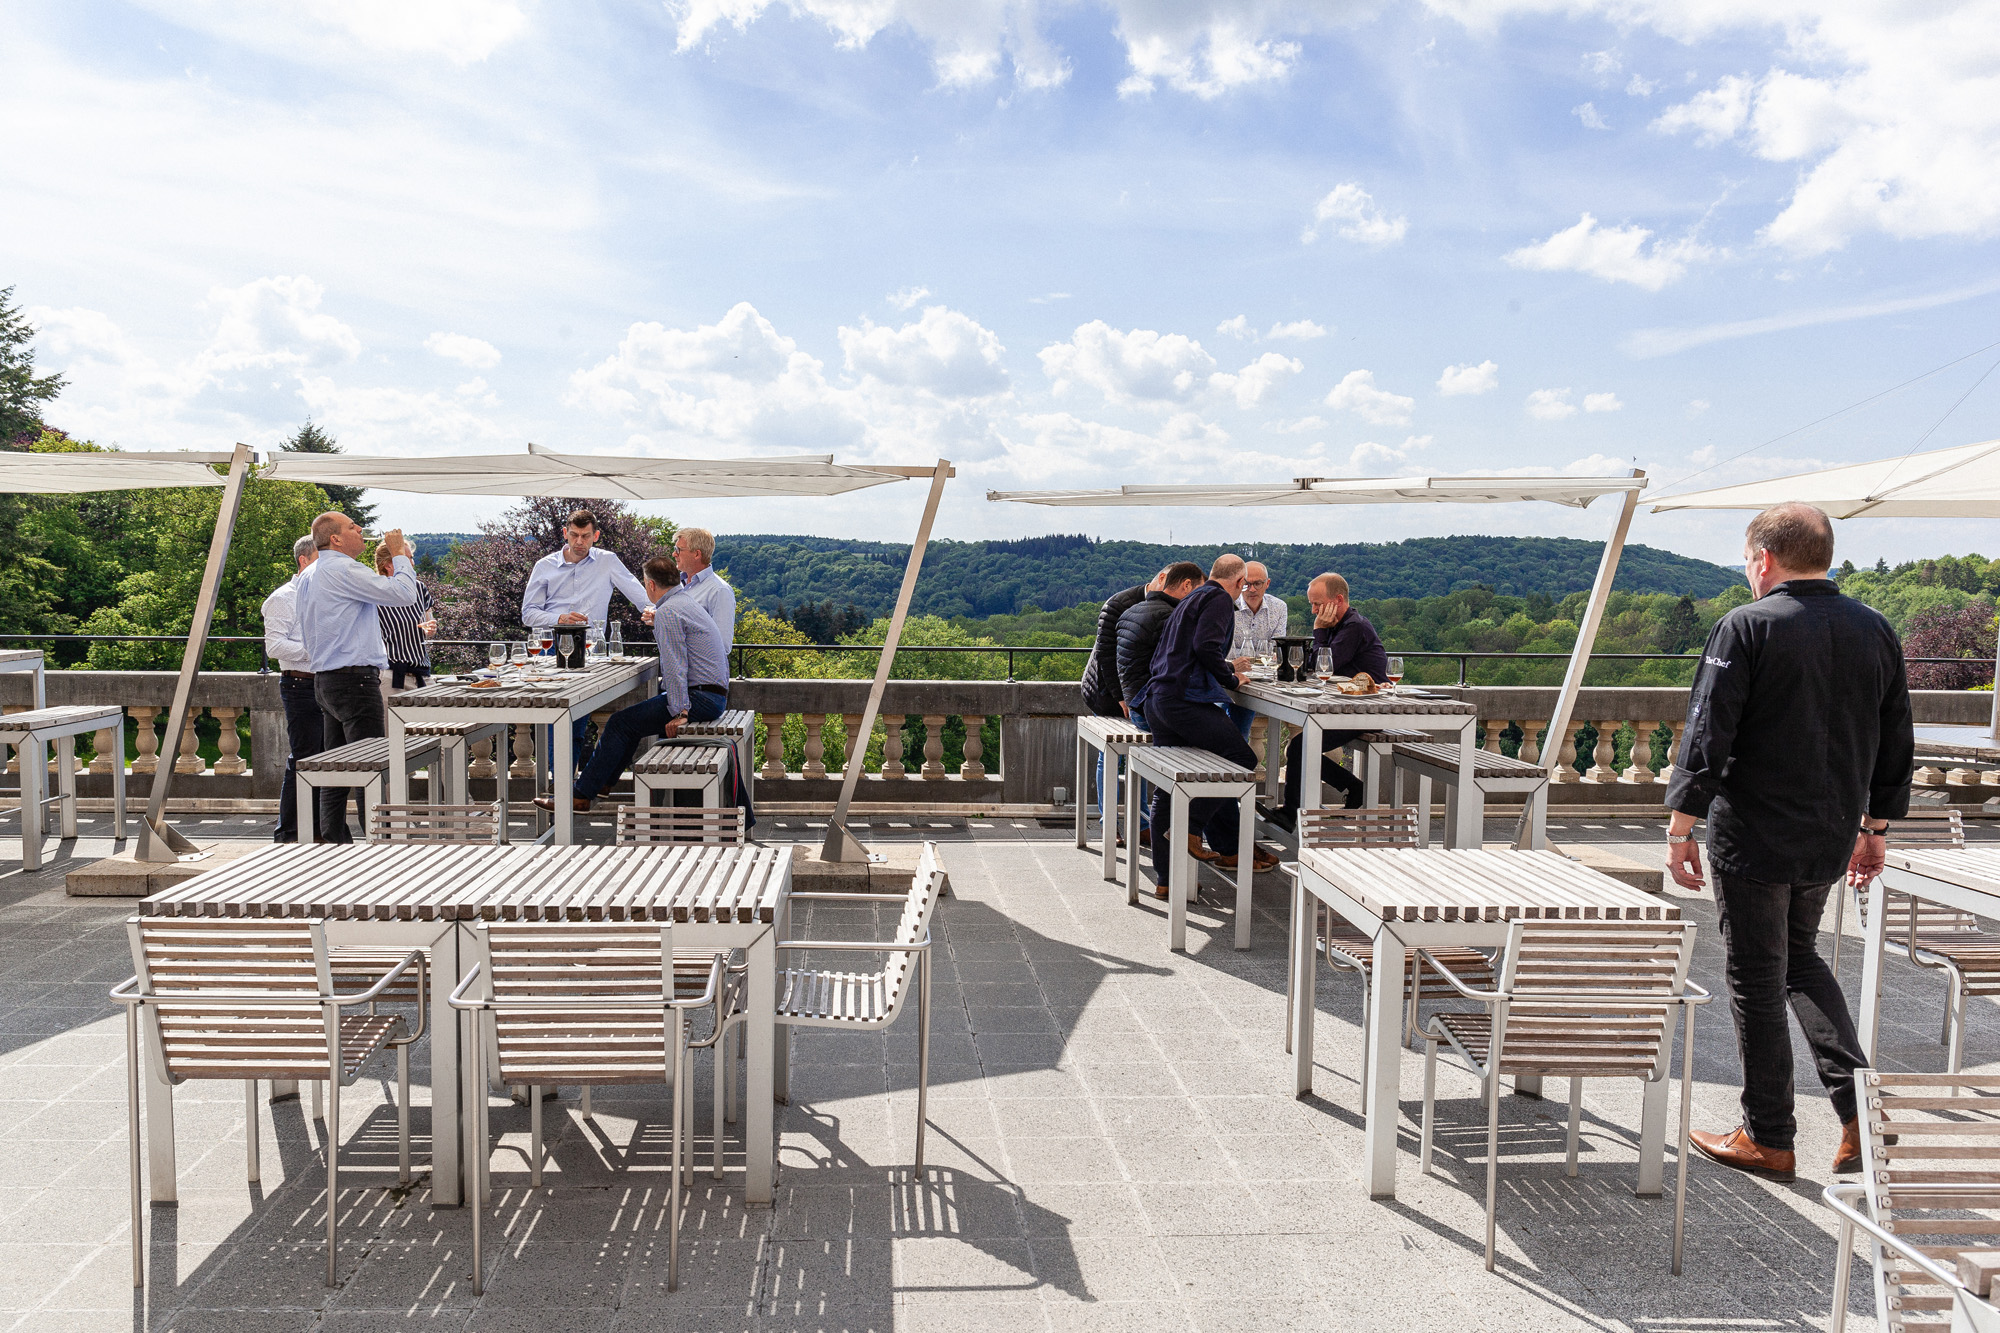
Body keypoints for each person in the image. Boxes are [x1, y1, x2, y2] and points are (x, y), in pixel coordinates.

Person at [1667, 502, 1913, 1182]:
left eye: (1748, 560)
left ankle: (1768, 1135)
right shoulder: (1875, 628)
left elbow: (1707, 735)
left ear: (1763, 559)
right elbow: (1898, 739)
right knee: (1798, 958)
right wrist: (1876, 827)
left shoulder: (1745, 626)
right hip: (1830, 832)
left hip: (1754, 835)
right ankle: (1861, 1111)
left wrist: (1681, 825)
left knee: (1755, 976)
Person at [545, 554, 732, 814]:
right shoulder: (684, 602)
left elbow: (675, 666)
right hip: (714, 695)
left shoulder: (668, 611)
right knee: (626, 725)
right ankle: (600, 786)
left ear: (651, 585)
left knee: (620, 723)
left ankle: (580, 796)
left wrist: (681, 712)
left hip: (700, 699)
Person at [1141, 554, 1280, 895]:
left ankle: (1167, 880)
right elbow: (1205, 647)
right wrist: (1230, 678)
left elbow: (1187, 648)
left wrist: (1226, 667)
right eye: (1243, 585)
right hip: (1183, 701)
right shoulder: (1218, 599)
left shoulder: (1192, 597)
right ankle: (1191, 825)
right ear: (1237, 583)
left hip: (1158, 698)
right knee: (1243, 760)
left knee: (1166, 790)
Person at [297, 512, 422, 843]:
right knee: (370, 768)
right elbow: (404, 594)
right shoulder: (343, 569)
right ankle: (378, 847)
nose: (361, 529)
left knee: (337, 770)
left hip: (325, 680)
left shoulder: (309, 574)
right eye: (353, 526)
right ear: (335, 539)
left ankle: (333, 844)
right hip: (353, 682)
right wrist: (397, 553)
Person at [522, 509, 651, 768]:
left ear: (596, 536)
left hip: (590, 650)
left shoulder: (608, 561)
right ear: (564, 534)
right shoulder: (545, 566)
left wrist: (662, 614)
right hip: (551, 649)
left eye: (585, 536)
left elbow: (641, 597)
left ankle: (565, 787)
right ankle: (557, 787)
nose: (579, 541)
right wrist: (560, 618)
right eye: (574, 535)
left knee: (577, 723)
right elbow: (528, 614)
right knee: (553, 723)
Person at [1259, 572, 1387, 831]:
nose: (1314, 611)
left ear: (1338, 600)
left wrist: (1319, 630)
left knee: (1299, 748)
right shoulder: (1339, 626)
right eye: (1312, 605)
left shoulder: (1354, 627)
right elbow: (1312, 667)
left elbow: (1320, 666)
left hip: (1366, 710)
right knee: (1298, 748)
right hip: (1345, 706)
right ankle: (1351, 787)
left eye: (1317, 604)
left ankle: (1291, 814)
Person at [1116, 563, 1203, 852]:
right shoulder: (1171, 617)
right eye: (1199, 591)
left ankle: (1196, 840)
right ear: (1187, 586)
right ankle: (1209, 838)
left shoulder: (1132, 611)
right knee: (1221, 757)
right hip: (1153, 712)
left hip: (1137, 706)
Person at [1081, 570, 1152, 833]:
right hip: (1105, 692)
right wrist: (1122, 697)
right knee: (1109, 755)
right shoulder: (1117, 604)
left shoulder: (1163, 605)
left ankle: (1141, 823)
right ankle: (1109, 824)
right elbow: (1106, 658)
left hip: (1136, 691)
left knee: (1141, 753)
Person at [262, 534, 321, 844]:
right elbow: (274, 646)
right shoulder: (283, 598)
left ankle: (318, 830)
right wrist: (316, 650)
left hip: (324, 685)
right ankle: (289, 833)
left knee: (326, 759)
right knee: (303, 758)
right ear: (304, 560)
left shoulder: (323, 595)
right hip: (300, 685)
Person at [1225, 561, 1285, 741]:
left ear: (1267, 584)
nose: (1251, 589)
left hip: (1261, 681)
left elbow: (1277, 649)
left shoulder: (1279, 607)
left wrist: (1243, 656)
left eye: (1257, 583)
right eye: (1246, 584)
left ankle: (1237, 760)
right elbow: (1224, 651)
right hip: (1229, 678)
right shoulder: (1228, 605)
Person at [375, 542, 438, 698]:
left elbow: (429, 624)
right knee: (391, 723)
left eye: (412, 557)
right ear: (387, 565)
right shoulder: (376, 591)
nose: (412, 563)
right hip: (390, 678)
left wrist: (430, 630)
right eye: (406, 558)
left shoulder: (419, 588)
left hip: (423, 676)